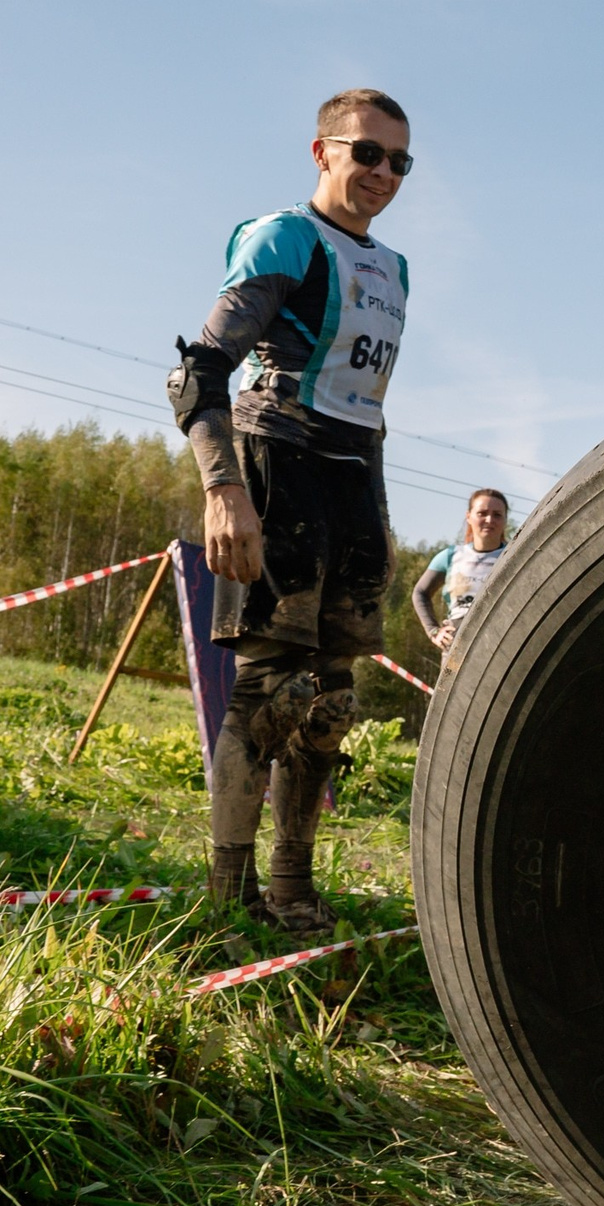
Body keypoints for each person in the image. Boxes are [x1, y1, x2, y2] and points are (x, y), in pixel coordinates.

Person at [169, 88, 415, 935]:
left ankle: (292, 889)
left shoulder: (395, 267)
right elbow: (200, 372)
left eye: (399, 161)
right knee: (270, 690)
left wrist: (379, 519)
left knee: (330, 702)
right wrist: (223, 488)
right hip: (278, 462)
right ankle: (226, 898)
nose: (383, 172)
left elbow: (368, 403)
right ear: (322, 152)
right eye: (366, 152)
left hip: (354, 479)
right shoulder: (286, 237)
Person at [414, 488, 510, 650]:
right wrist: (434, 631)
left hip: (502, 642)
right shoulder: (450, 556)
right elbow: (420, 592)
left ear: (505, 519)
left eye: (497, 515)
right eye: (482, 513)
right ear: (469, 516)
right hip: (457, 646)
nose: (489, 520)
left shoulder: (516, 556)